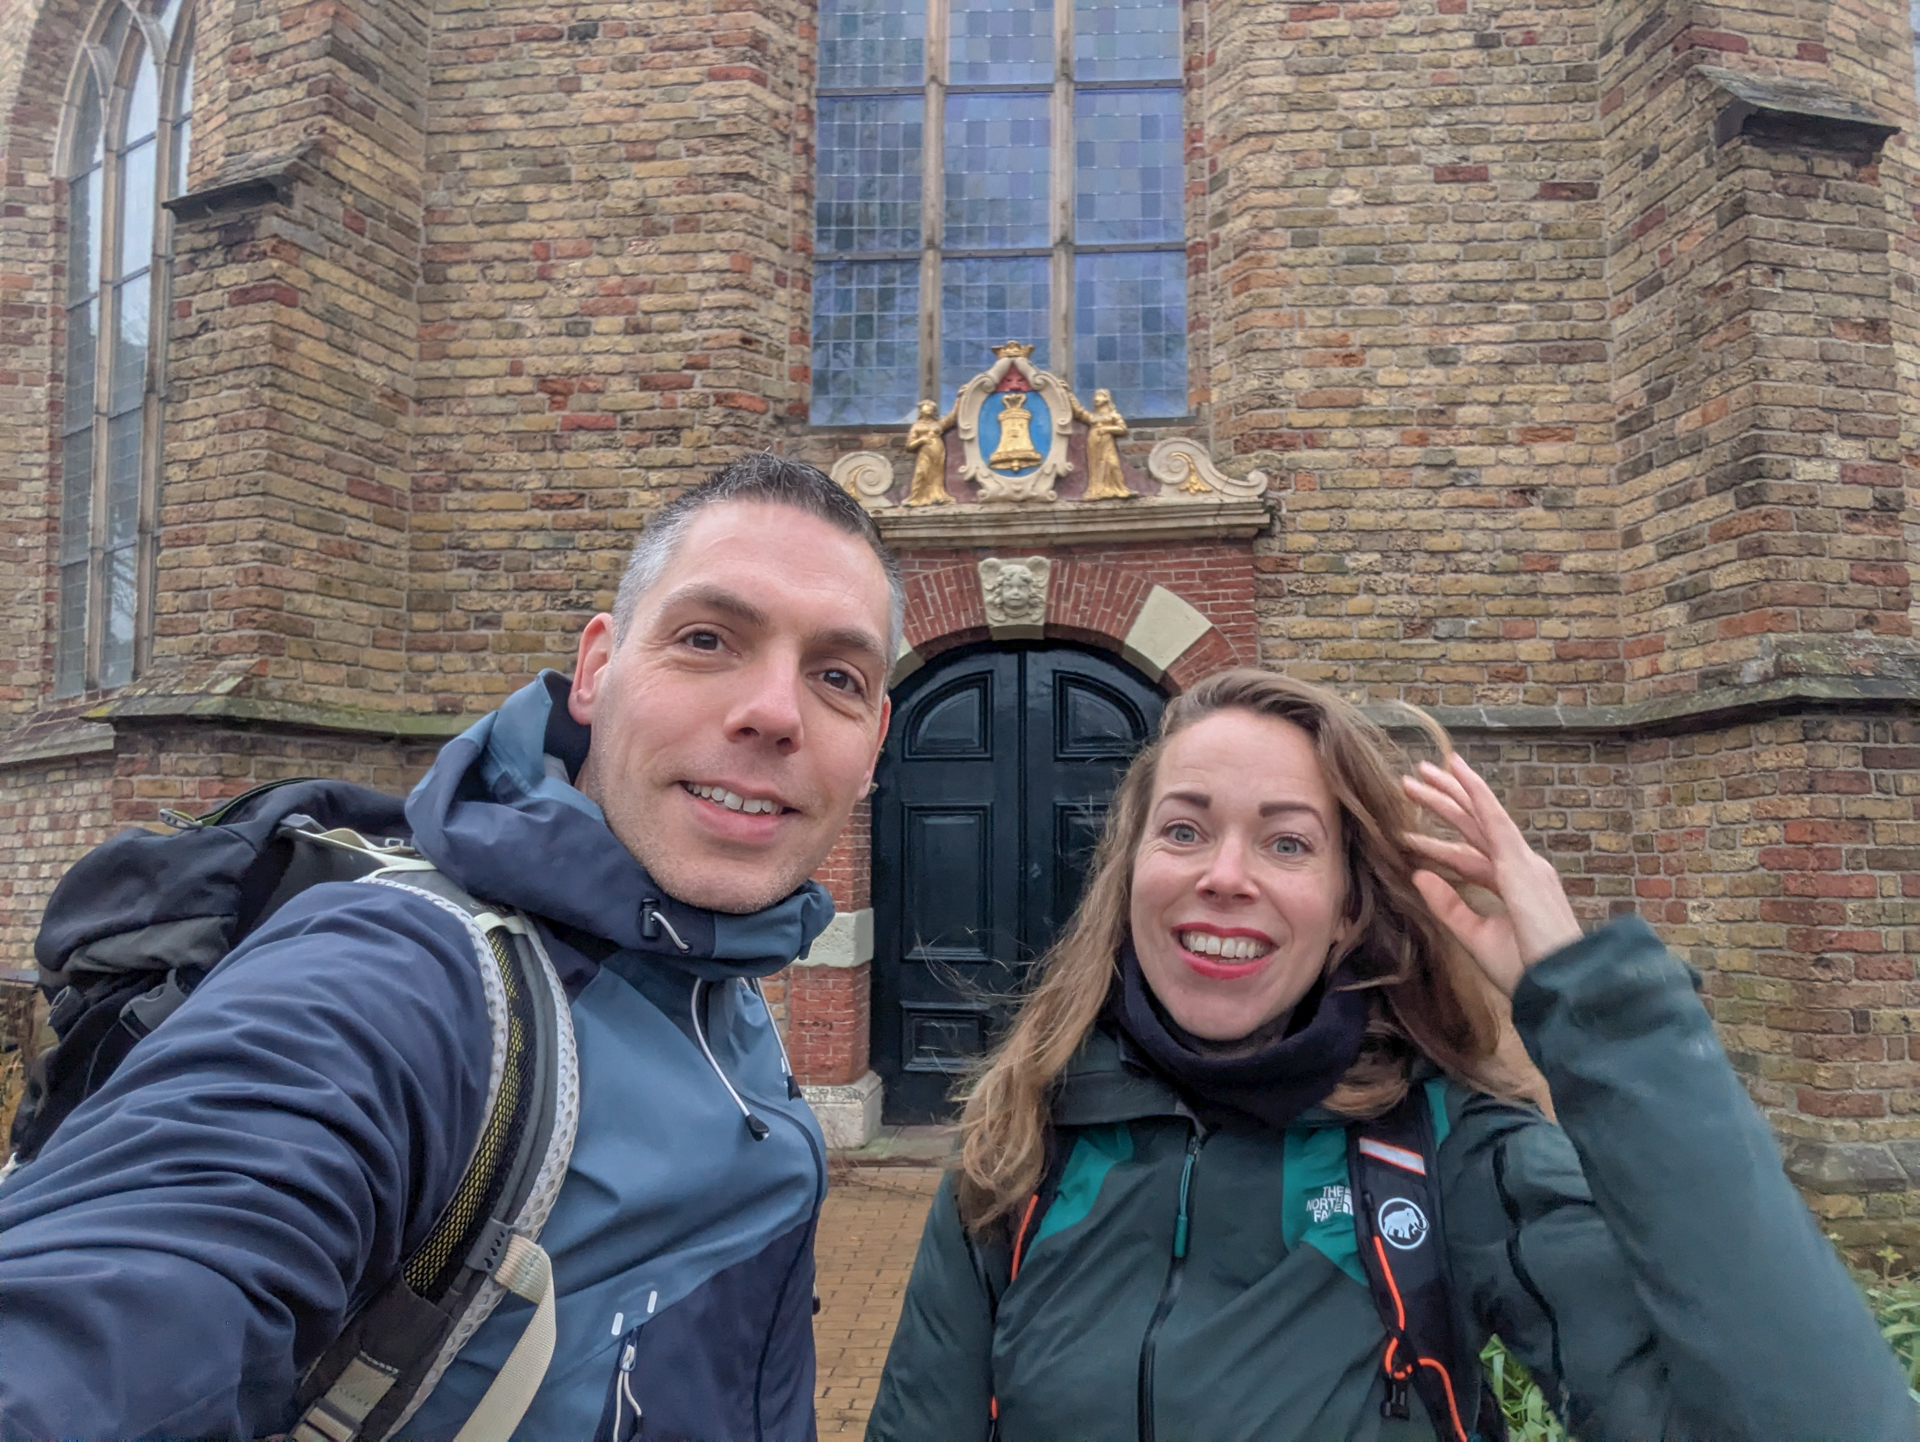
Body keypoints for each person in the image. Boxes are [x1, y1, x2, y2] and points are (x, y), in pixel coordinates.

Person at [0, 454, 901, 1440]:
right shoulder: (400, 976)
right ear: (597, 670)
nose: (774, 711)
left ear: (874, 742)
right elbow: (109, 1316)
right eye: (706, 638)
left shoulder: (716, 972)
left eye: (837, 677)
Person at [866, 668, 1916, 1442]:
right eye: (1183, 830)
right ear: (1130, 871)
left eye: (1287, 842)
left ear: (1346, 907)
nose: (1223, 874)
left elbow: (1822, 1418)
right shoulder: (1021, 1143)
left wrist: (1598, 1009)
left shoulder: (1449, 1152)